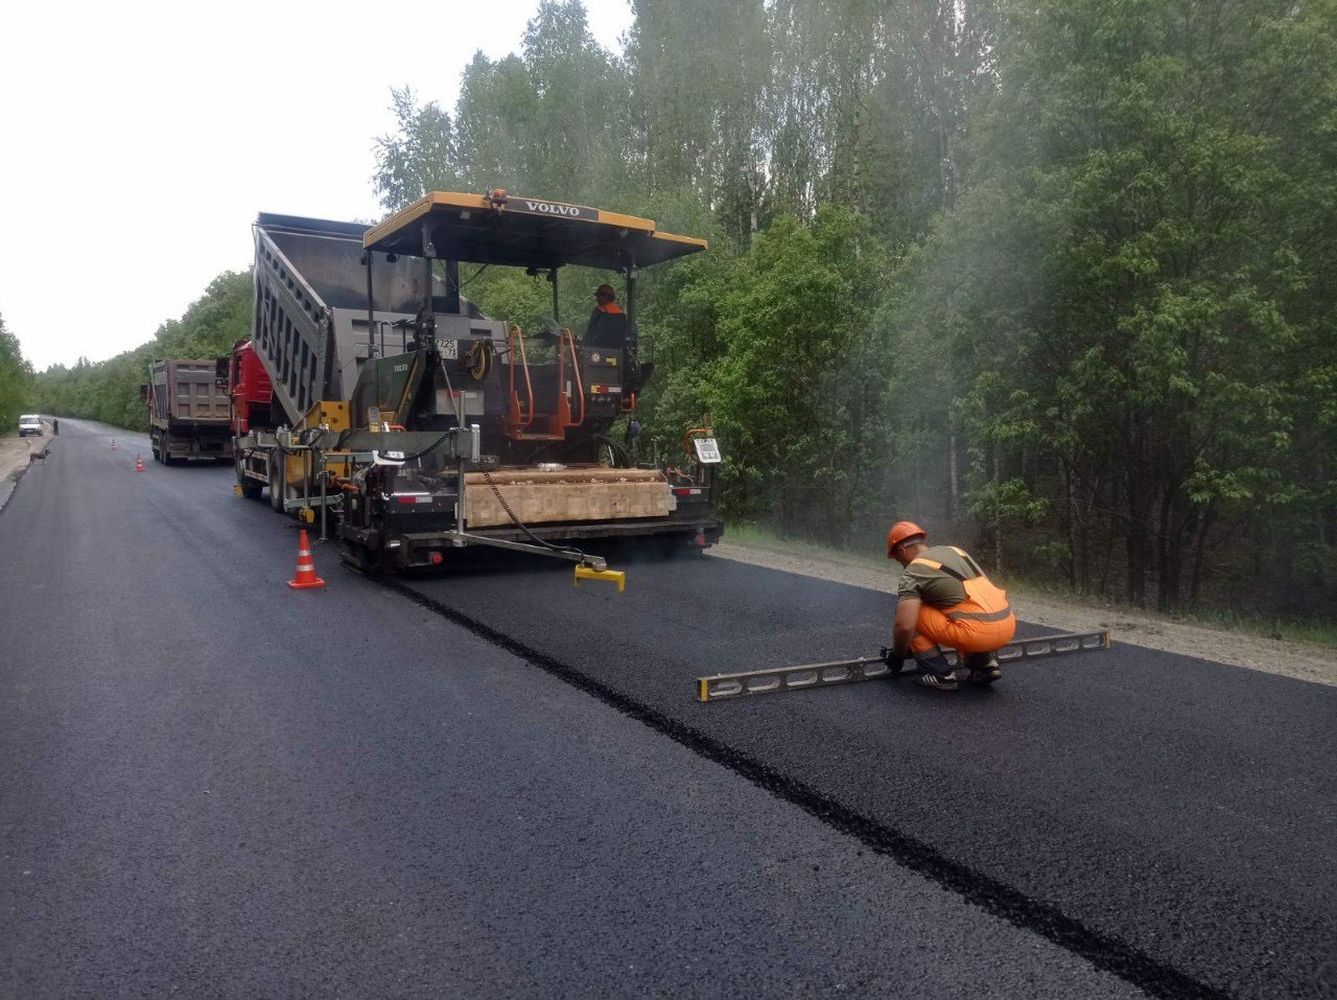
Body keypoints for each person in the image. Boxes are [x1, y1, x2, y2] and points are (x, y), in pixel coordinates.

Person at [884, 520, 1015, 691]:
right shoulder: (955, 551)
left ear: (902, 549)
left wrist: (897, 656)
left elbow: (904, 626)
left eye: (898, 559)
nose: (901, 564)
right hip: (1007, 626)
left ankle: (939, 673)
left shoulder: (913, 572)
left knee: (910, 614)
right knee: (959, 611)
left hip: (977, 633)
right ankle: (984, 665)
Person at [584, 283, 629, 350]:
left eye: (598, 297)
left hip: (598, 354)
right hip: (618, 355)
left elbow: (590, 335)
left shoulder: (599, 313)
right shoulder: (622, 316)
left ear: (603, 297)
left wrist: (583, 345)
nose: (597, 299)